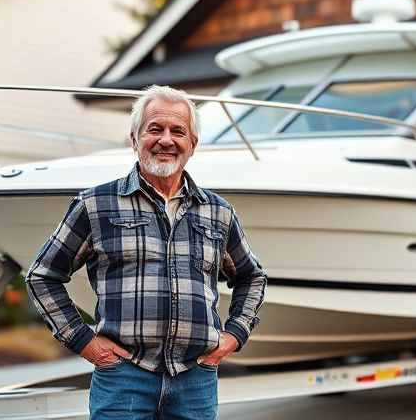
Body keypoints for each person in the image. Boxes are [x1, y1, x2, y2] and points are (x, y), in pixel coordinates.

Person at [25, 85, 267, 420]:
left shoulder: (218, 211)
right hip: (122, 378)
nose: (166, 140)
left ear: (192, 144)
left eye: (178, 131)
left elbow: (251, 277)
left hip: (195, 378)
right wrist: (84, 341)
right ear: (134, 138)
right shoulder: (95, 205)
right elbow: (42, 276)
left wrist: (234, 335)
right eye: (155, 129)